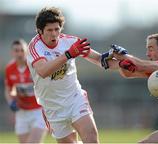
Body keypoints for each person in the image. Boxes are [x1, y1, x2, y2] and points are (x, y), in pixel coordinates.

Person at [26, 7, 108, 143]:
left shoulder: (70, 42)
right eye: (49, 30)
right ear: (40, 31)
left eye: (57, 29)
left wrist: (120, 59)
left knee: (91, 137)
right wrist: (68, 55)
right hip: (52, 107)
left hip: (75, 98)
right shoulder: (35, 47)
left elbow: (99, 59)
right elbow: (43, 71)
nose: (54, 34)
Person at [104, 33, 158, 143]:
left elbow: (141, 65)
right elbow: (129, 74)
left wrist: (124, 56)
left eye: (151, 49)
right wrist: (121, 63)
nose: (147, 54)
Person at [4, 39, 47, 143]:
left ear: (27, 51)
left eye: (22, 50)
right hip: (21, 112)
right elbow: (9, 89)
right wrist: (11, 102)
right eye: (16, 50)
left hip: (38, 111)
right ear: (12, 52)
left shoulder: (34, 66)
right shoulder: (9, 68)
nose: (19, 53)